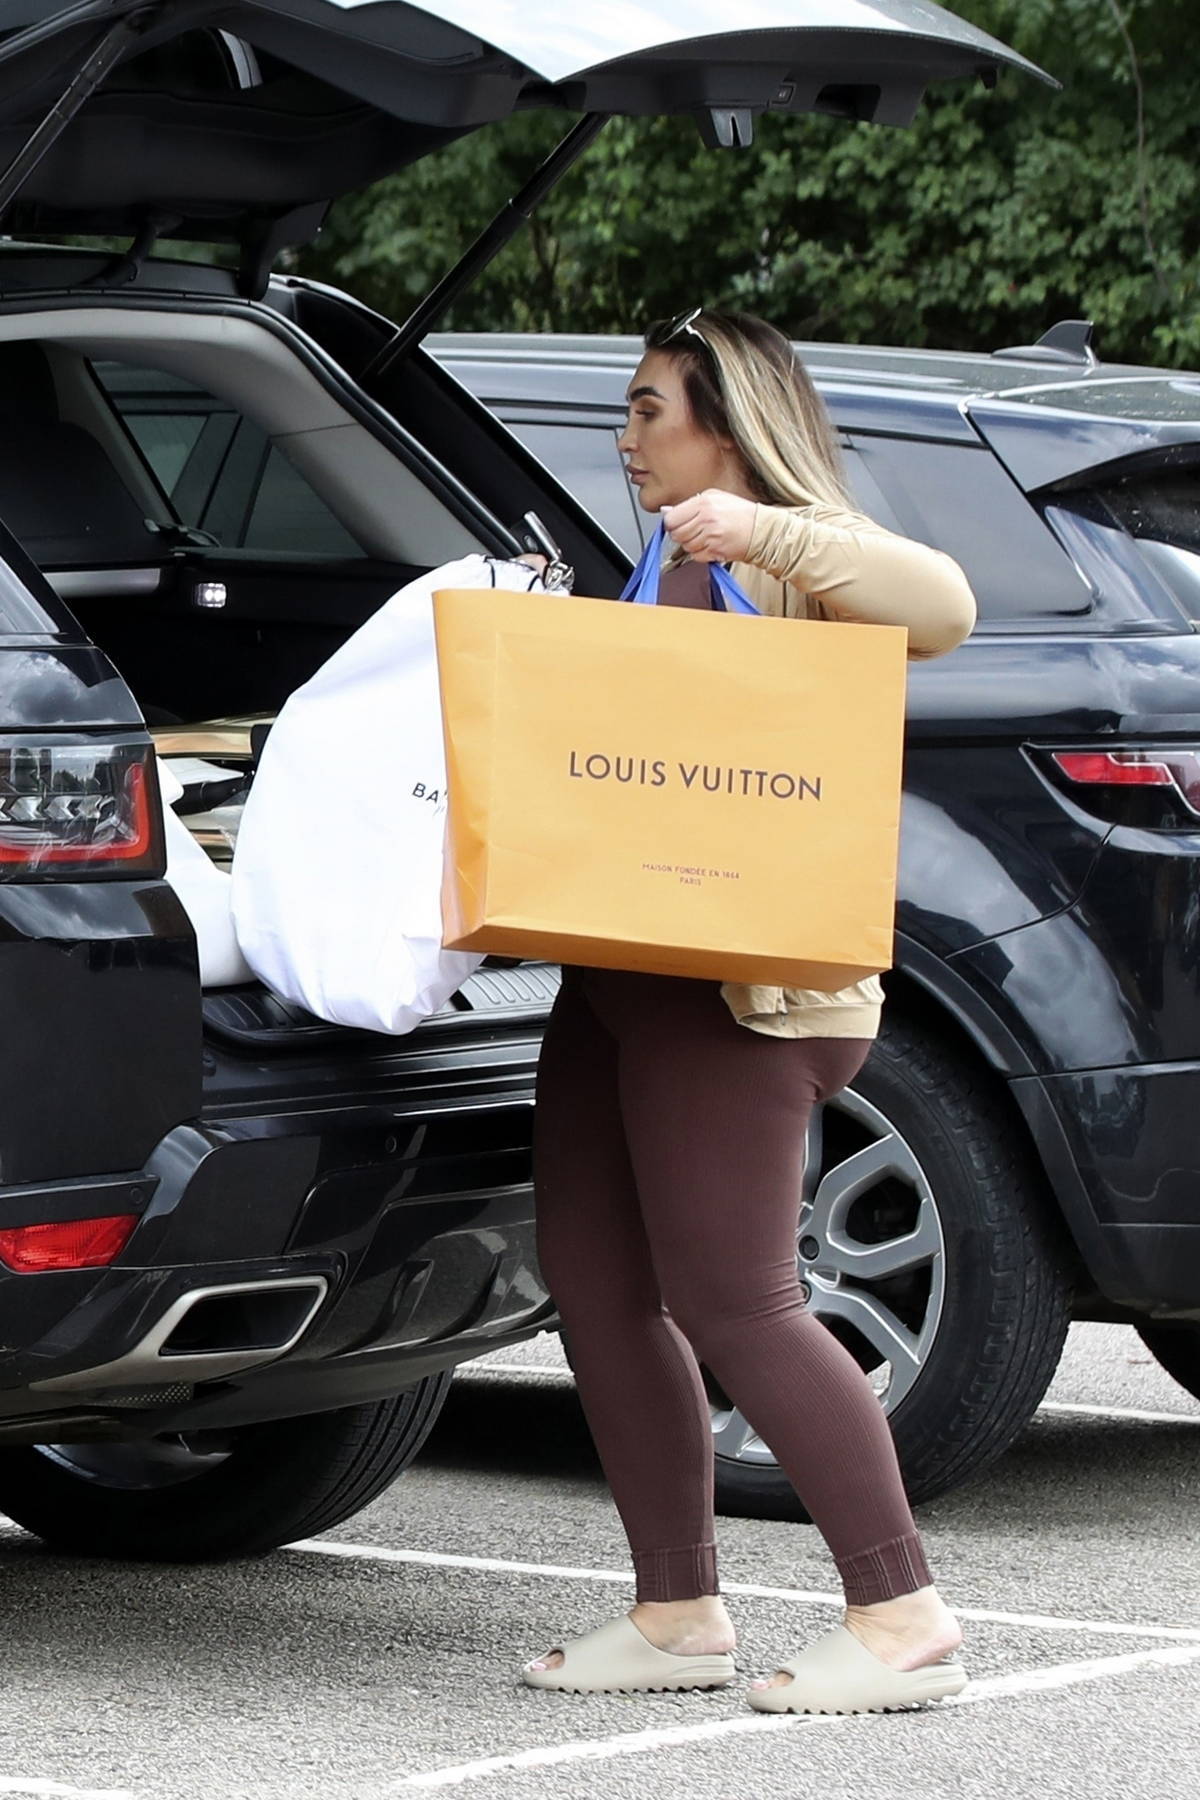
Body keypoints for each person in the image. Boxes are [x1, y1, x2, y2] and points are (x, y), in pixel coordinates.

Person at [523, 309, 977, 1715]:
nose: (625, 436)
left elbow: (945, 607)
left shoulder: (790, 561)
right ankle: (676, 1612)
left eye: (648, 408)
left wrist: (764, 526)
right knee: (596, 1287)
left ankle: (900, 1617)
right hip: (619, 975)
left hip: (742, 991)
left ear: (727, 424)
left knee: (737, 1301)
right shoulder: (655, 561)